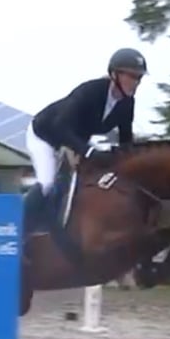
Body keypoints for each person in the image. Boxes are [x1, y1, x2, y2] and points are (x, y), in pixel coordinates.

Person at [22, 47, 148, 234]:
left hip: (73, 140)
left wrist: (131, 166)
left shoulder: (127, 104)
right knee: (47, 183)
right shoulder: (90, 91)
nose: (136, 82)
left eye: (139, 77)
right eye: (131, 76)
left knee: (83, 183)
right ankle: (19, 230)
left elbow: (126, 140)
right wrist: (88, 151)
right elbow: (60, 126)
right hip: (45, 135)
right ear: (114, 74)